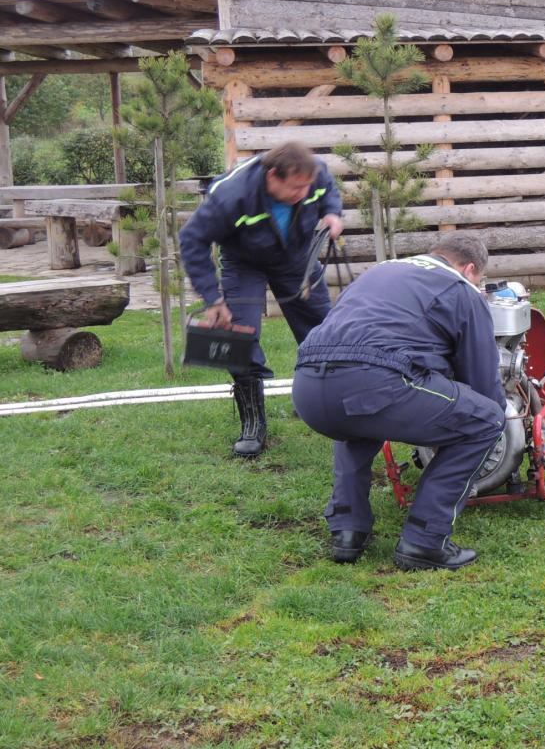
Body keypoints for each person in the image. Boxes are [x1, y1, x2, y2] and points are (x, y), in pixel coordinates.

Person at [292, 232, 505, 571]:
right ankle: (424, 541)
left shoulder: (381, 270)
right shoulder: (460, 287)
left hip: (308, 386)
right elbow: (482, 382)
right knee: (487, 420)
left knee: (360, 419)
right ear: (469, 269)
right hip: (373, 382)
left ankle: (347, 530)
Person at [180, 141, 344, 457]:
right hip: (244, 264)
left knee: (323, 332)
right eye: (295, 188)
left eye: (306, 187)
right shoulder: (231, 195)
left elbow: (328, 193)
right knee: (240, 339)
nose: (303, 193)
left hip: (296, 258)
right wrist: (213, 298)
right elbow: (191, 239)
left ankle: (319, 404)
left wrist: (332, 214)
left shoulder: (314, 173)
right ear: (272, 177)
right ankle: (253, 425)